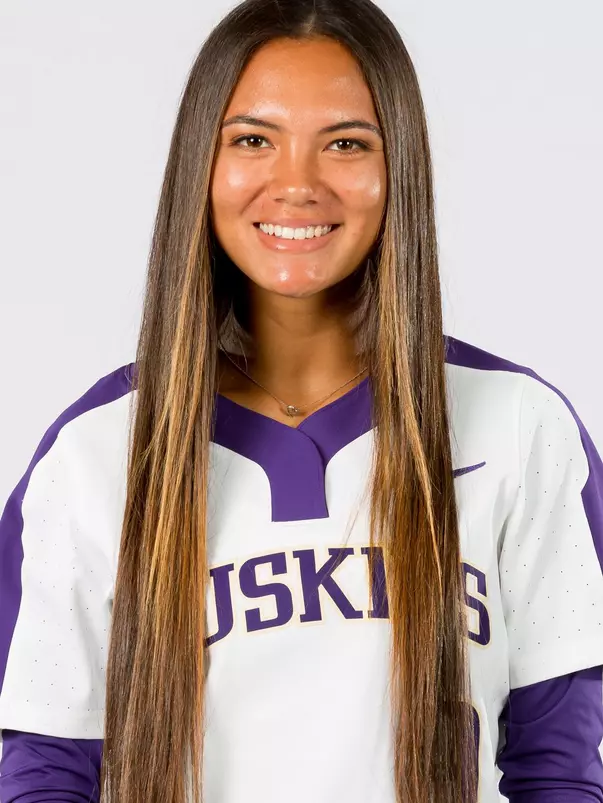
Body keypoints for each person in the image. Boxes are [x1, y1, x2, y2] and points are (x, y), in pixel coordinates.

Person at [1, 0, 603, 801]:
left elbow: (558, 767)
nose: (296, 183)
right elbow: (44, 772)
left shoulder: (517, 424)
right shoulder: (97, 449)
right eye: (253, 139)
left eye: (346, 144)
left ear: (399, 169)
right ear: (199, 166)